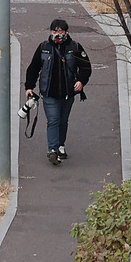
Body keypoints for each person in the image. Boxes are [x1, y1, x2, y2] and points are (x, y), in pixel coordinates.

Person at [21, 13, 91, 165]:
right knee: (53, 120)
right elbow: (33, 68)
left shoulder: (75, 47)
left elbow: (86, 67)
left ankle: (60, 145)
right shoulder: (43, 48)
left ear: (66, 32)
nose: (58, 34)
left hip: (68, 93)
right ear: (51, 31)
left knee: (63, 121)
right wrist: (29, 86)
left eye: (61, 31)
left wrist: (81, 81)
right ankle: (52, 149)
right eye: (55, 31)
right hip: (49, 93)